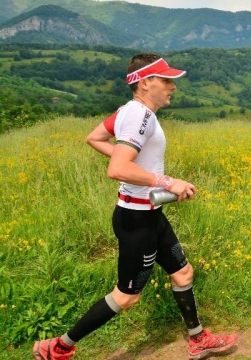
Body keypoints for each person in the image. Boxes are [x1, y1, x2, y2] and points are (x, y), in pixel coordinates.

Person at [32, 53, 237, 360]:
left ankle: (198, 340)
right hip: (136, 221)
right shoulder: (140, 116)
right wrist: (168, 182)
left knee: (183, 273)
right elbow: (116, 169)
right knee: (127, 296)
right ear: (144, 83)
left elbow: (95, 137)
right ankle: (60, 346)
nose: (173, 87)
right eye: (166, 80)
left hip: (151, 214)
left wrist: (134, 165)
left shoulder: (131, 112)